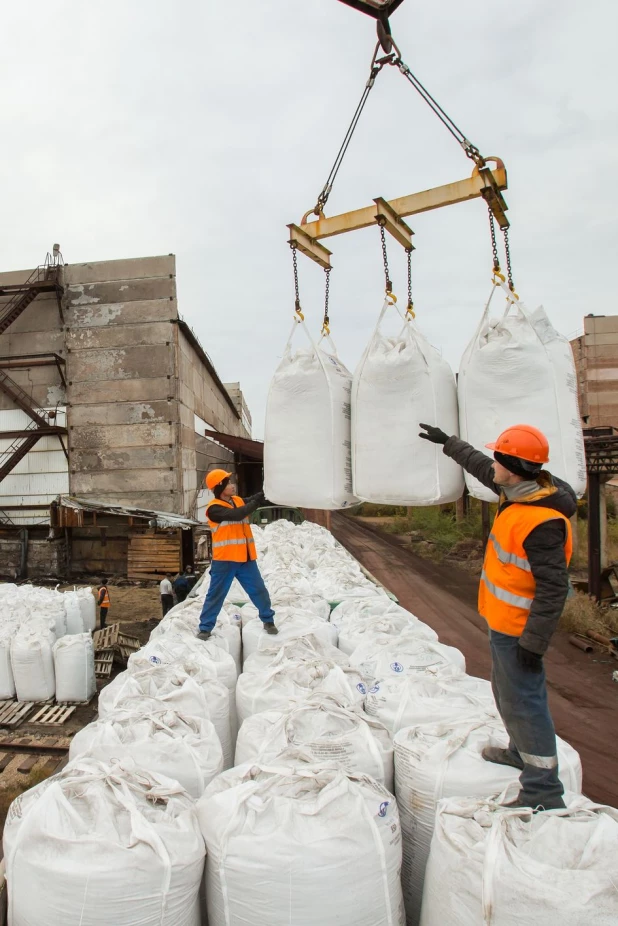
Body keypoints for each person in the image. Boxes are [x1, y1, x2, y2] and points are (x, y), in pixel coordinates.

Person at [419, 422, 575, 811]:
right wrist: (449, 443)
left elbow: (554, 588)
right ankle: (519, 753)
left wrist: (533, 644)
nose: (492, 465)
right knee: (506, 695)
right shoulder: (520, 491)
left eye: (498, 459)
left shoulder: (542, 522)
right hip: (502, 622)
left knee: (525, 702)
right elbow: (478, 465)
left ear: (512, 466)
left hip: (520, 632)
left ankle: (542, 791)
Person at [197, 469, 277, 641]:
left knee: (259, 590)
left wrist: (267, 492)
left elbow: (249, 502)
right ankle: (205, 628)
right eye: (228, 482)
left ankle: (268, 620)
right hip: (225, 560)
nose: (233, 485)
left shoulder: (237, 501)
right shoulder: (214, 509)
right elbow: (238, 514)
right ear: (220, 487)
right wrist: (257, 501)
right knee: (216, 594)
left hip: (245, 559)